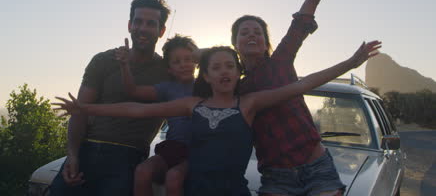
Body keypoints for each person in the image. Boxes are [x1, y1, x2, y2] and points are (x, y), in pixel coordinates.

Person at [54, 41, 381, 196]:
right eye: (216, 67)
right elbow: (138, 109)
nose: (224, 71)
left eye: (230, 66)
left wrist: (350, 61)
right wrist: (87, 109)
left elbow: (303, 84)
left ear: (238, 73)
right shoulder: (192, 104)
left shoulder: (249, 104)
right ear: (206, 75)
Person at [230, 0, 371, 195]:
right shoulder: (235, 89)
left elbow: (312, 1)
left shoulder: (281, 61)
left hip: (317, 167)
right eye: (244, 32)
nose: (252, 35)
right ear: (235, 44)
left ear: (266, 42)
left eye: (257, 31)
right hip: (275, 176)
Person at [49, 0, 171, 196]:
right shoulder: (103, 61)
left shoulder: (168, 71)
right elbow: (80, 112)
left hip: (128, 157)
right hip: (88, 150)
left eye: (151, 24)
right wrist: (72, 156)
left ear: (161, 31)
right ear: (129, 25)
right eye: (138, 21)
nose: (142, 28)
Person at [115, 34, 198, 196]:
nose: (184, 65)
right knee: (142, 171)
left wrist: (199, 54)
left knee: (174, 178)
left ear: (196, 60)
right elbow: (133, 91)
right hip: (172, 148)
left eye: (188, 59)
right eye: (177, 62)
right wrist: (125, 65)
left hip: (196, 151)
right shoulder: (166, 88)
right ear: (169, 69)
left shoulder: (206, 85)